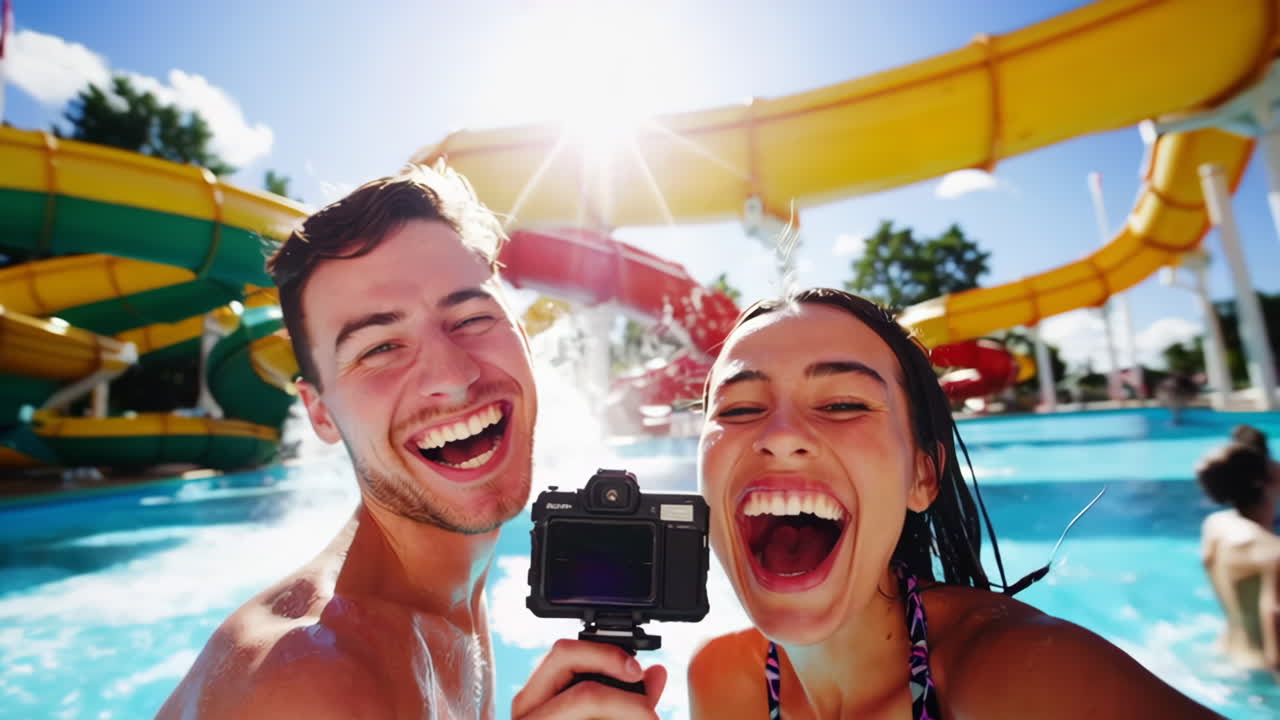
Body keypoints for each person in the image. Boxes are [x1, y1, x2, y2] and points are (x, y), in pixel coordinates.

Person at [157, 166, 665, 719]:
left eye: (471, 317)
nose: (451, 374)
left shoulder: (447, 599)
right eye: (379, 348)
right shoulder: (314, 682)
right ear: (321, 414)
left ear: (521, 336)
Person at [689, 287, 1219, 718]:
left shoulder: (1031, 681)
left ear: (922, 475)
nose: (781, 435)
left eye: (843, 403)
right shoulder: (722, 682)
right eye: (739, 409)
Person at [1197, 424, 1280, 671]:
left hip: (1224, 653)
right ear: (1266, 482)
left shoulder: (1215, 525)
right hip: (1261, 676)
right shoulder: (1272, 552)